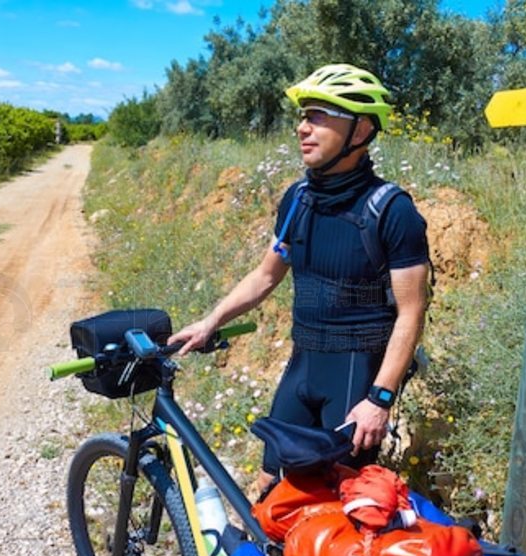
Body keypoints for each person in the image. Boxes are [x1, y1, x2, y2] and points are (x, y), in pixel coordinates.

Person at [169, 63, 429, 490]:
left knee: (340, 500)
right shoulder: (298, 199)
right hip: (303, 365)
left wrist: (379, 399)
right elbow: (266, 275)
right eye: (303, 116)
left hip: (355, 378)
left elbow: (410, 314)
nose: (301, 128)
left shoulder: (392, 211)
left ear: (360, 131)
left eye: (317, 117)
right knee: (271, 480)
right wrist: (210, 321)